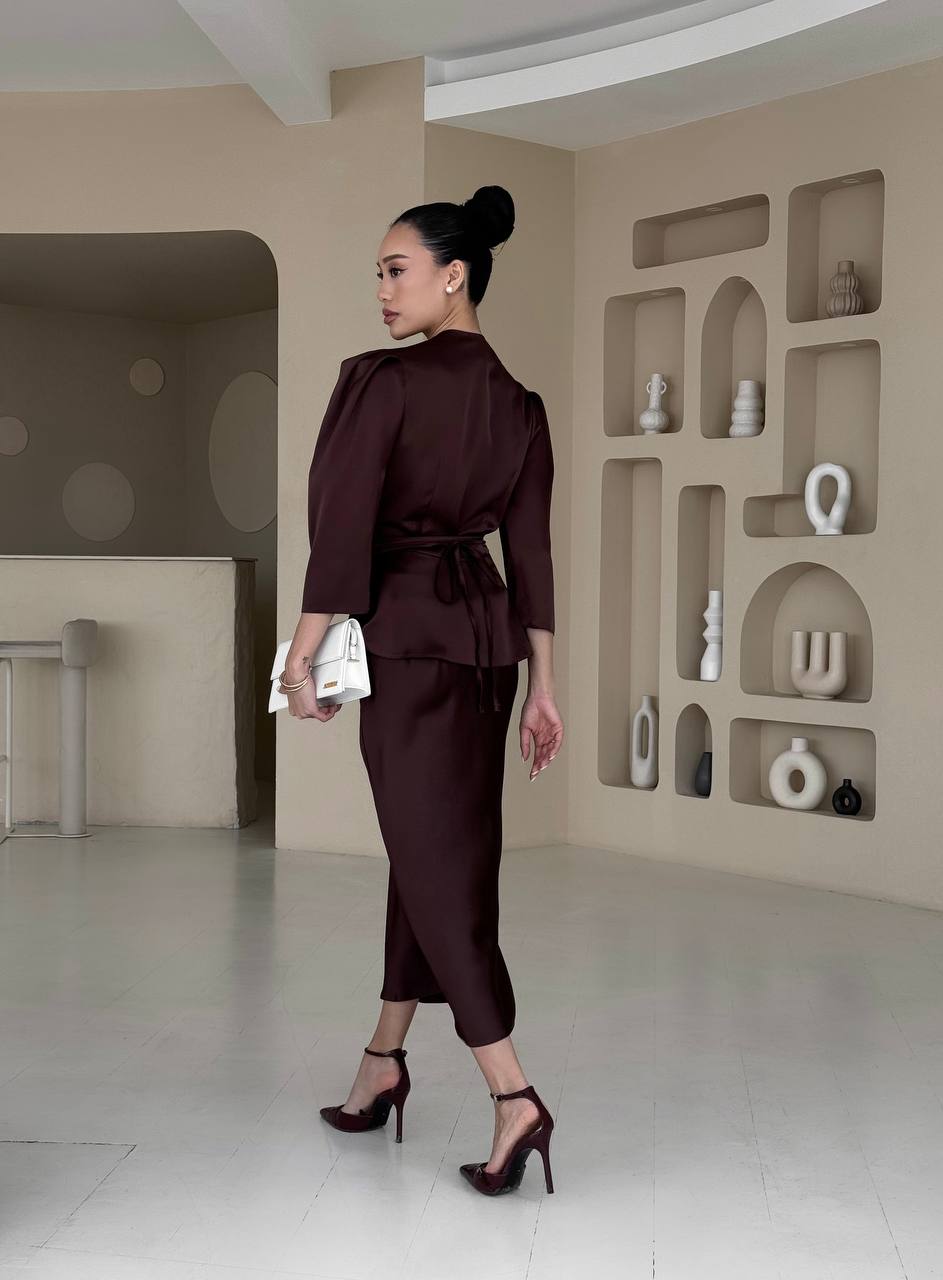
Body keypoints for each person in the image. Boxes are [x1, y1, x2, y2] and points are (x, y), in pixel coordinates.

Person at [280, 185, 564, 1197]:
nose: (382, 290)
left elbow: (342, 525)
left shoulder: (378, 383)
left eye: (395, 269)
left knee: (436, 860)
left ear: (454, 274)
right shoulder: (523, 407)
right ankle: (383, 1060)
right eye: (377, 273)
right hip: (485, 644)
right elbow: (527, 551)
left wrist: (302, 649)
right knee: (434, 847)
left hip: (405, 639)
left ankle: (512, 1092)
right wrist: (545, 685)